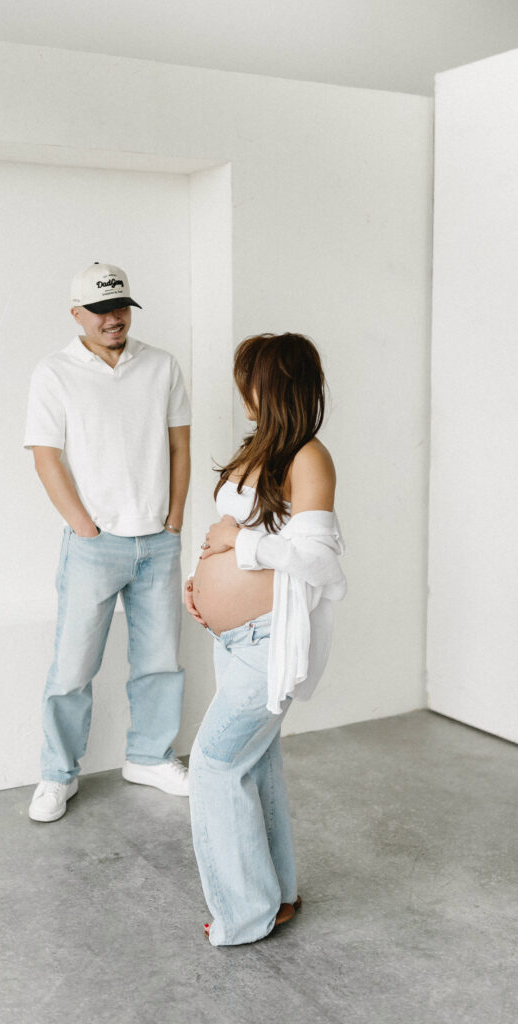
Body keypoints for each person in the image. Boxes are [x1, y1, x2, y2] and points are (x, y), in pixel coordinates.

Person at [184, 332, 346, 946]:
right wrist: (201, 582)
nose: (242, 391)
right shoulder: (259, 447)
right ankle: (276, 895)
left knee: (213, 765)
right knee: (254, 764)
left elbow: (320, 562)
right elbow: (233, 530)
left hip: (267, 641)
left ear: (275, 385)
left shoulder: (308, 457)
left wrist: (237, 546)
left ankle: (244, 913)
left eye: (249, 380)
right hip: (234, 639)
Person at [23, 261, 191, 823]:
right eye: (99, 311)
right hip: (95, 545)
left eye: (120, 307)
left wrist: (174, 519)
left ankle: (150, 757)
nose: (113, 318)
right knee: (72, 667)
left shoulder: (162, 365)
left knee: (160, 661)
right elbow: (45, 457)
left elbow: (179, 446)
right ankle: (57, 773)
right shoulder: (54, 372)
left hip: (158, 540)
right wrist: (84, 527)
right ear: (77, 314)